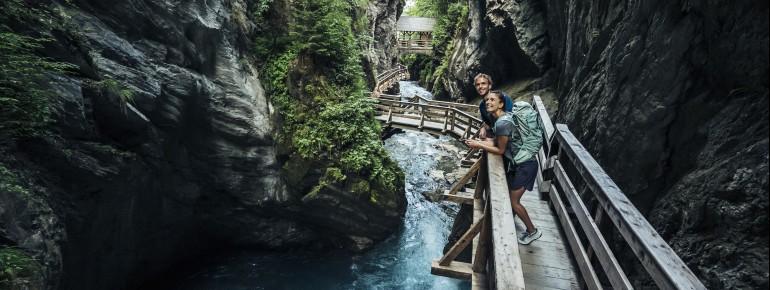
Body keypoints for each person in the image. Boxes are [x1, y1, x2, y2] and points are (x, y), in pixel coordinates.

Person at [464, 91, 543, 245]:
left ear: (501, 104)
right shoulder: (502, 119)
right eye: (487, 100)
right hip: (521, 164)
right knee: (509, 196)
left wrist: (479, 144)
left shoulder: (502, 123)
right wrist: (479, 142)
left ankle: (533, 231)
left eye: (492, 100)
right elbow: (498, 143)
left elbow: (500, 150)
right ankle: (510, 222)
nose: (488, 102)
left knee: (514, 202)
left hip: (526, 166)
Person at [473, 74, 512, 140]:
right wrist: (483, 128)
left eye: (483, 83)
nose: (480, 86)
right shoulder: (482, 105)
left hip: (509, 135)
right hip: (497, 133)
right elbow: (487, 123)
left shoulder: (503, 98)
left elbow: (510, 121)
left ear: (490, 86)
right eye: (477, 84)